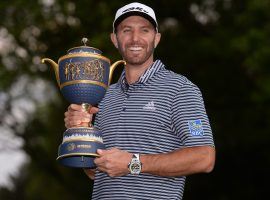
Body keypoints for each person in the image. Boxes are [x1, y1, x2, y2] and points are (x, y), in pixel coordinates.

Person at [64, 2, 215, 200]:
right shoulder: (104, 96)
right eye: (126, 30)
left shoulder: (180, 89)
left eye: (144, 30)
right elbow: (95, 173)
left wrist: (133, 163)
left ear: (156, 38)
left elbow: (204, 158)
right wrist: (80, 133)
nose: (135, 38)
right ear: (115, 39)